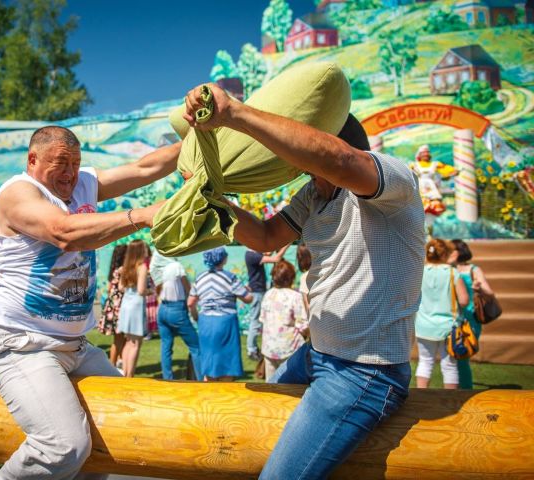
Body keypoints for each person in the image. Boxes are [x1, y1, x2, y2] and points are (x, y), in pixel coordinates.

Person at [179, 81, 425, 478]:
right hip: (319, 354)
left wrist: (236, 114)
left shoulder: (392, 177)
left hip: (365, 372)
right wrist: (209, 197)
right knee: (258, 425)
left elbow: (343, 161)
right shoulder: (313, 195)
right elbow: (264, 237)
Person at [0, 125, 181, 480]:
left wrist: (209, 131)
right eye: (62, 163)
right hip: (19, 344)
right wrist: (144, 216)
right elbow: (64, 232)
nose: (71, 173)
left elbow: (147, 168)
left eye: (76, 163)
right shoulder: (18, 192)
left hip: (75, 348)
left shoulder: (84, 182)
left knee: (134, 432)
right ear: (32, 159)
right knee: (62, 446)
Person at [188, 247, 252, 381]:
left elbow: (190, 302)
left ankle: (208, 397)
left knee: (208, 364)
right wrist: (246, 290)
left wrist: (196, 317)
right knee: (227, 366)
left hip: (205, 322)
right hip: (225, 323)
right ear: (223, 258)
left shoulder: (200, 278)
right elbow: (248, 298)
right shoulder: (230, 277)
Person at [415, 239, 469, 389]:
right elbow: (464, 300)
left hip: (423, 325)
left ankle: (421, 398)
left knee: (425, 362)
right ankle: (450, 402)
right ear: (445, 254)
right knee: (449, 366)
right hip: (448, 327)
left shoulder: (420, 272)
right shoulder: (453, 273)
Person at [449, 239, 495, 389]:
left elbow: (489, 293)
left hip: (469, 320)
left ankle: (464, 392)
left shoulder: (473, 269)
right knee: (450, 360)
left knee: (462, 358)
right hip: (451, 318)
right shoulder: (447, 269)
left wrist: (479, 288)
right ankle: (454, 391)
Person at [260, 260, 309, 381]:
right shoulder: (295, 296)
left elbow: (263, 319)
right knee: (289, 388)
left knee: (270, 387)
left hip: (269, 348)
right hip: (289, 350)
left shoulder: (268, 294)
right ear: (291, 278)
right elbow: (302, 325)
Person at [156, 251, 200, 380]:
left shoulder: (161, 268)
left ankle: (167, 378)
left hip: (163, 309)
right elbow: (189, 289)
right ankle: (201, 378)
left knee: (166, 346)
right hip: (176, 309)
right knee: (196, 346)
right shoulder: (176, 266)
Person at [244, 245, 288, 361]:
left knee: (258, 321)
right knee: (255, 321)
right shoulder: (251, 255)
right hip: (257, 292)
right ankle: (251, 349)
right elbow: (275, 259)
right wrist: (286, 244)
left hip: (258, 291)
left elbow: (267, 253)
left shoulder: (253, 254)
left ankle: (253, 348)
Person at [116, 240, 152, 377]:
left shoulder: (126, 266)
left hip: (126, 305)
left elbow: (120, 287)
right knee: (136, 343)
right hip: (136, 306)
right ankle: (130, 376)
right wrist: (150, 291)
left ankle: (125, 374)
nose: (146, 251)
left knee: (128, 342)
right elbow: (142, 290)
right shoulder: (142, 267)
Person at [98, 244, 127, 367]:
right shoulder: (122, 270)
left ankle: (117, 362)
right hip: (119, 306)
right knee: (119, 338)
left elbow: (110, 288)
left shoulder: (114, 269)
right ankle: (113, 364)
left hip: (113, 306)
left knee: (119, 338)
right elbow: (121, 287)